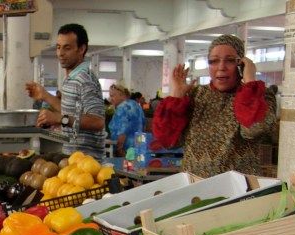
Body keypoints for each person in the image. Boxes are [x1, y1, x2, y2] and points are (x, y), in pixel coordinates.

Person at [153, 34, 276, 178]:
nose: (221, 67)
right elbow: (168, 142)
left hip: (238, 191)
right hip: (195, 190)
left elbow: (253, 130)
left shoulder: (260, 96)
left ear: (241, 64)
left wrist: (249, 82)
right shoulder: (195, 95)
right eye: (214, 61)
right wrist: (176, 96)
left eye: (230, 61)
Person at [25, 23, 106, 159]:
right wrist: (45, 96)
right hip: (73, 157)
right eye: (58, 47)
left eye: (67, 48)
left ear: (81, 49)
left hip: (88, 162)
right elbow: (71, 112)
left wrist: (60, 119)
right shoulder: (71, 78)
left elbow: (97, 122)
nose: (60, 53)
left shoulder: (85, 79)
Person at [108, 84, 145, 156]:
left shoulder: (122, 108)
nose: (110, 99)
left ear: (121, 95)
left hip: (126, 151)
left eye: (112, 96)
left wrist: (119, 150)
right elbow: (144, 125)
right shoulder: (136, 105)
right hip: (139, 148)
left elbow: (122, 132)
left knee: (126, 167)